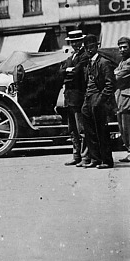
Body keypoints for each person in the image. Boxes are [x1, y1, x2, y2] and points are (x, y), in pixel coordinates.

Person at [80, 34, 116, 169]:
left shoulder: (104, 62)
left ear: (97, 46)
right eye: (87, 48)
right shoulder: (89, 63)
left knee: (102, 131)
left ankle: (106, 160)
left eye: (92, 47)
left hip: (97, 99)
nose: (89, 50)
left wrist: (99, 100)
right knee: (89, 131)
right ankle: (95, 159)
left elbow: (110, 85)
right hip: (88, 99)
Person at [59, 30, 90, 166]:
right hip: (69, 98)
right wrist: (67, 71)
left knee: (81, 129)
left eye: (78, 41)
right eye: (73, 42)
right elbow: (60, 72)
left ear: (82, 42)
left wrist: (67, 71)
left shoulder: (84, 56)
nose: (75, 44)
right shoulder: (71, 57)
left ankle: (85, 157)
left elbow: (77, 73)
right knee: (72, 129)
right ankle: (76, 155)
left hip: (78, 97)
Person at [114, 36, 130, 162]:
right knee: (122, 126)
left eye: (124, 47)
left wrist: (117, 73)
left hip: (127, 97)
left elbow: (118, 76)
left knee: (128, 126)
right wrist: (117, 72)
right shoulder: (123, 61)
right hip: (121, 97)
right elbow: (116, 72)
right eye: (120, 47)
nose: (122, 49)